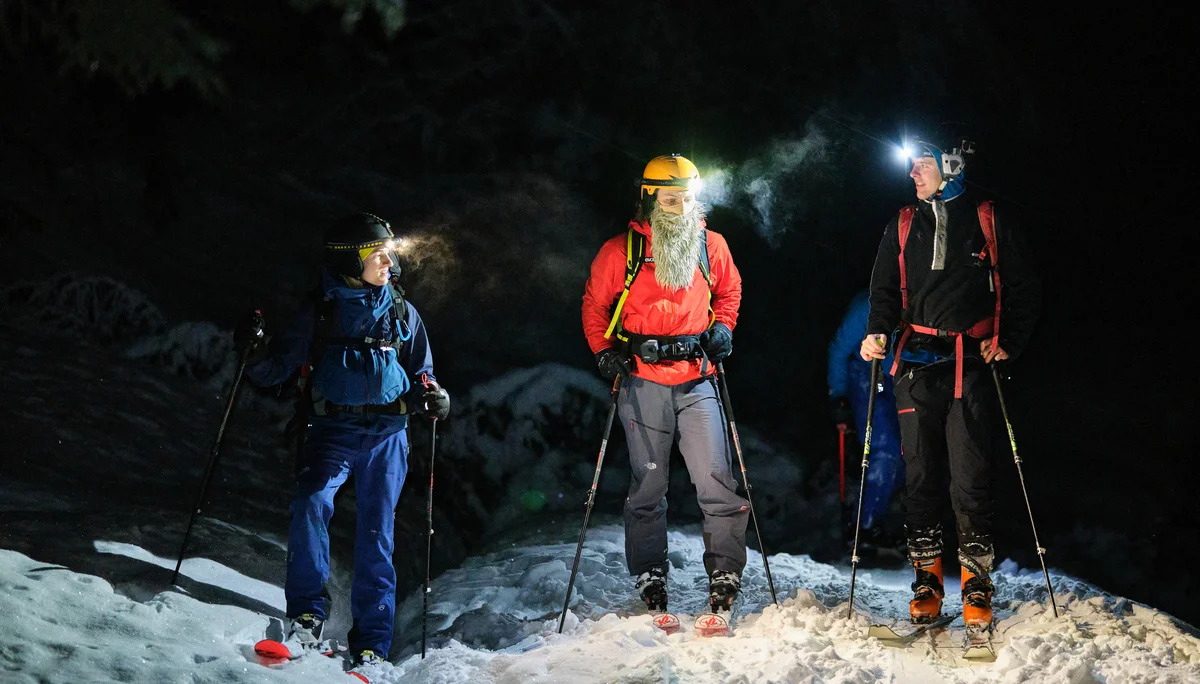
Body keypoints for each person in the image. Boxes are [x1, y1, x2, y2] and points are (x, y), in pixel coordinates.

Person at [234, 212, 450, 671]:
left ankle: (373, 643)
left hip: (388, 436)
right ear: (352, 259)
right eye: (379, 254)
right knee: (311, 504)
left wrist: (432, 395)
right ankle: (307, 617)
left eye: (391, 253)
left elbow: (421, 368)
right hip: (331, 430)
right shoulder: (321, 311)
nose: (389, 262)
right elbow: (276, 368)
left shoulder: (400, 310)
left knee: (378, 532)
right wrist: (251, 354)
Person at [860, 139, 1040, 630]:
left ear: (951, 168)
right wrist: (877, 333)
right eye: (912, 166)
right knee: (919, 476)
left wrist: (1009, 340)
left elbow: (1023, 286)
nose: (914, 174)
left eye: (924, 165)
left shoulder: (985, 218)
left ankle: (976, 582)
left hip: (971, 365)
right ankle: (927, 581)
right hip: (916, 364)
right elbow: (882, 291)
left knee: (971, 477)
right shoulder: (902, 223)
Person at [581, 153, 749, 615]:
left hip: (698, 377)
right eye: (670, 199)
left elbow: (729, 293)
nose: (679, 208)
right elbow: (596, 305)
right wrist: (603, 351)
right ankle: (650, 570)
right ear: (649, 198)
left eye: (687, 199)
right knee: (649, 484)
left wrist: (724, 330)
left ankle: (726, 569)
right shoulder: (620, 251)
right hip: (641, 380)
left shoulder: (710, 244)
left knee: (715, 477)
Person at [827, 289, 904, 554]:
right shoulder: (867, 307)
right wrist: (838, 396)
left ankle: (872, 519)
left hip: (900, 375)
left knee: (907, 450)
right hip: (866, 372)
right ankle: (863, 526)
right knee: (885, 450)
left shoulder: (920, 299)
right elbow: (839, 349)